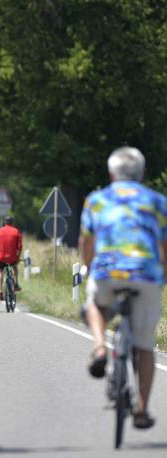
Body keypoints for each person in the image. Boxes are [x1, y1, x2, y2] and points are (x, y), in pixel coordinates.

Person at [79, 146, 167, 430]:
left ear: (111, 174)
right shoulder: (157, 201)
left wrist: (90, 267)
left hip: (108, 269)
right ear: (142, 174)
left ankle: (99, 348)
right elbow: (164, 245)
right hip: (146, 273)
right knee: (145, 345)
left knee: (95, 303)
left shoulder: (97, 200)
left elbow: (86, 241)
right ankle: (141, 410)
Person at [0, 215, 23, 300]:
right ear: (13, 222)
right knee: (15, 268)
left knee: (0, 270)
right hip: (12, 258)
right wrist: (18, 257)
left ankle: (0, 290)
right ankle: (16, 284)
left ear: (5, 222)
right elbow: (19, 247)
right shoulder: (16, 231)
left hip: (1, 257)